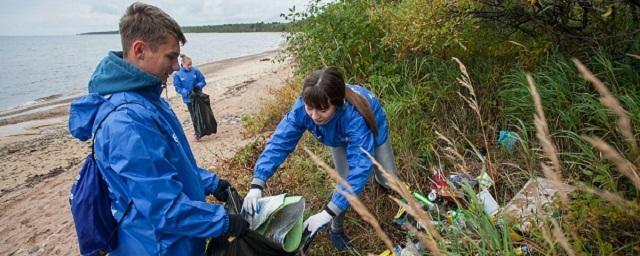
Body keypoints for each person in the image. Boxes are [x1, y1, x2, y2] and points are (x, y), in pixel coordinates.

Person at [68, 2, 248, 255]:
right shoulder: (128, 121)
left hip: (179, 242)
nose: (175, 66)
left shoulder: (150, 101)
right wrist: (225, 221)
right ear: (139, 50)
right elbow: (164, 208)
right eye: (170, 56)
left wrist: (213, 183)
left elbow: (170, 165)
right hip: (158, 246)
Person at [241, 67, 398, 251]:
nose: (314, 116)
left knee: (389, 180)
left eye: (322, 110)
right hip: (337, 137)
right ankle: (336, 230)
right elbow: (279, 143)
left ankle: (380, 184)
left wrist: (326, 213)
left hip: (372, 127)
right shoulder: (302, 108)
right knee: (343, 180)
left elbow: (360, 167)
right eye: (310, 108)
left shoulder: (355, 118)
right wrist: (256, 185)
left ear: (337, 104)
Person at [173, 54, 207, 141]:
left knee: (201, 113)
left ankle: (205, 129)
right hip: (188, 99)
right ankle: (197, 133)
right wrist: (185, 92)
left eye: (191, 64)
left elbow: (203, 80)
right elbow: (177, 88)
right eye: (188, 65)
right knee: (194, 116)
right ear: (182, 64)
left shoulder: (195, 71)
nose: (190, 66)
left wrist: (198, 86)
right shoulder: (178, 74)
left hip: (198, 96)